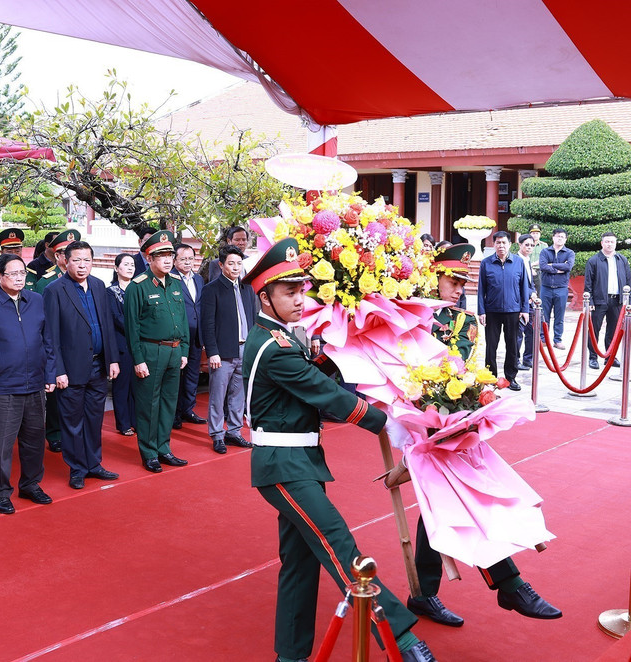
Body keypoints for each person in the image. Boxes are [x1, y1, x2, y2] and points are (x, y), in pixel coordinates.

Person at [240, 238, 436, 662]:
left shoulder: (281, 339)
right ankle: (400, 639)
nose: (299, 298)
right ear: (265, 296)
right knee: (339, 545)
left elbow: (313, 375)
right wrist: (389, 425)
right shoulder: (273, 349)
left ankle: (290, 655)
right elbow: (325, 395)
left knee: (300, 562)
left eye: (301, 289)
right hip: (283, 465)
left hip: (300, 461)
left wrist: (346, 343)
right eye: (288, 292)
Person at [409, 244, 561, 628]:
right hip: (421, 423)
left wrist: (479, 399)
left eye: (462, 282)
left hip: (457, 424)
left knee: (442, 507)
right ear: (433, 278)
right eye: (451, 280)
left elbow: (470, 367)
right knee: (461, 503)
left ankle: (424, 594)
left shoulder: (467, 321)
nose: (458, 288)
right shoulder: (416, 317)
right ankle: (509, 584)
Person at [0, 253, 56, 515]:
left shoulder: (36, 301)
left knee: (34, 440)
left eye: (23, 273)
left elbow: (48, 342)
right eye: (13, 274)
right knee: (1, 445)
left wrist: (49, 375)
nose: (19, 278)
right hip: (2, 386)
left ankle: (30, 484)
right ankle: (0, 491)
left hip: (34, 384)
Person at [44, 240, 120, 489]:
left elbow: (107, 325)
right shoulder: (55, 290)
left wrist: (113, 359)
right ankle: (77, 468)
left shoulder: (99, 285)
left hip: (98, 367)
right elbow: (51, 335)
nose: (82, 265)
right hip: (71, 369)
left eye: (87, 260)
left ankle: (94, 464)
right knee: (72, 422)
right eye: (76, 260)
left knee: (94, 419)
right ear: (65, 260)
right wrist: (58, 370)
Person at [124, 230, 190, 473]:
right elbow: (133, 327)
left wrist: (184, 349)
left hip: (174, 352)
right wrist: (138, 359)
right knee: (148, 404)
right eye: (160, 255)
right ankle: (149, 452)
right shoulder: (137, 287)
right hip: (150, 351)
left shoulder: (175, 283)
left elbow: (182, 319)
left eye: (169, 255)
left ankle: (164, 448)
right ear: (148, 258)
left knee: (168, 403)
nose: (167, 259)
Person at [201, 244, 255, 453]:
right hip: (222, 353)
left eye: (239, 263)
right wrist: (212, 351)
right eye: (231, 263)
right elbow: (208, 324)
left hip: (244, 349)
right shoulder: (211, 289)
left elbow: (251, 318)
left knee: (238, 395)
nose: (235, 267)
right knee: (217, 395)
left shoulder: (247, 288)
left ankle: (234, 431)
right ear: (221, 265)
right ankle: (217, 434)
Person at [34, 229, 80, 453]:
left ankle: (75, 431)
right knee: (55, 394)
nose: (67, 256)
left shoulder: (84, 279)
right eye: (62, 252)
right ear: (58, 255)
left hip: (78, 346)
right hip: (55, 344)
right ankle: (54, 432)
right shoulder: (46, 282)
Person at [477, 231, 529, 391]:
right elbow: (481, 289)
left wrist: (525, 309)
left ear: (510, 244)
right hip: (492, 311)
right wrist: (481, 311)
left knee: (512, 346)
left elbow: (524, 287)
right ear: (494, 245)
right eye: (498, 243)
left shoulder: (518, 262)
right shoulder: (486, 263)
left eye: (504, 243)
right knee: (491, 346)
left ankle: (511, 377)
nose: (501, 246)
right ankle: (490, 377)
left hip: (513, 311)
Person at [172, 243, 206, 429]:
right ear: (175, 260)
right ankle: (175, 414)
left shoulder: (199, 279)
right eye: (183, 259)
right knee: (177, 375)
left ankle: (188, 409)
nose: (187, 262)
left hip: (197, 335)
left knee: (193, 374)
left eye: (191, 259)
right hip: (179, 336)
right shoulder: (170, 279)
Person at [585, 231, 631, 369]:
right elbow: (588, 283)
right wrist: (590, 301)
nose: (610, 244)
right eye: (607, 241)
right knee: (595, 330)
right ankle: (593, 357)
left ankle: (610, 356)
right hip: (599, 301)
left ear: (615, 243)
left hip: (617, 301)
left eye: (612, 241)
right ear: (602, 243)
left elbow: (628, 280)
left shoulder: (622, 259)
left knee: (613, 330)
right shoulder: (594, 260)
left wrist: (627, 300)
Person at [107, 253, 137, 436]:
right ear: (117, 268)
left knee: (137, 386)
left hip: (139, 344)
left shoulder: (138, 288)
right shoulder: (111, 292)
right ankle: (123, 423)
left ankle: (135, 420)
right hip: (122, 344)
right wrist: (138, 328)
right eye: (126, 264)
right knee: (122, 386)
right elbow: (116, 318)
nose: (130, 268)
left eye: (132, 264)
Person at [538, 228, 574, 350]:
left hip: (561, 289)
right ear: (553, 237)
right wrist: (559, 269)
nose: (559, 238)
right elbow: (542, 266)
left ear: (566, 239)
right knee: (544, 315)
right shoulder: (545, 251)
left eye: (562, 237)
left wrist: (551, 265)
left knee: (559, 316)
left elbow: (568, 266)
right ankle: (543, 339)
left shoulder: (569, 253)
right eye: (557, 236)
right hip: (546, 288)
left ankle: (557, 340)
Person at [515, 235, 539, 371]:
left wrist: (533, 293)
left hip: (529, 303)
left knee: (531, 332)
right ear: (519, 245)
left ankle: (528, 359)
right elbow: (517, 283)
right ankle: (515, 360)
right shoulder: (516, 260)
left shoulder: (527, 260)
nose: (529, 247)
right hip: (519, 303)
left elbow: (530, 282)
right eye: (526, 245)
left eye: (532, 245)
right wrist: (530, 293)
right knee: (518, 334)